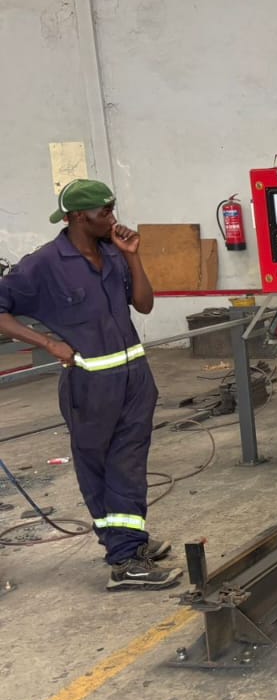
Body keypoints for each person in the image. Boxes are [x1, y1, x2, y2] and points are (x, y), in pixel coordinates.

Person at [0, 179, 181, 590]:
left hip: (135, 378)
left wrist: (132, 257)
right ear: (81, 217)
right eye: (105, 213)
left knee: (130, 463)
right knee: (100, 467)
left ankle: (129, 543)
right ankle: (123, 558)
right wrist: (48, 342)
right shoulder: (44, 264)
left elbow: (145, 303)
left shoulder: (112, 253)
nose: (113, 219)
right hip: (91, 384)